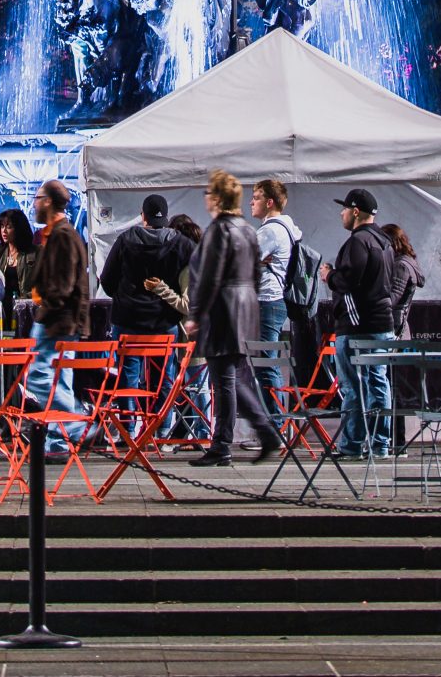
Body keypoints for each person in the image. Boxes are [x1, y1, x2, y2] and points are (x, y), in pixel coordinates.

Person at [185, 171, 281, 467]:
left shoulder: (218, 230)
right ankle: (247, 436)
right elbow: (255, 272)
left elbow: (208, 276)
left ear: (215, 198)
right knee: (236, 378)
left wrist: (196, 314)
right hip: (246, 306)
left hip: (223, 309)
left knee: (225, 380)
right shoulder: (247, 229)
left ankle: (228, 443)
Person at [322, 188, 398, 458]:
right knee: (379, 384)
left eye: (344, 208)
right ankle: (381, 444)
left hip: (357, 326)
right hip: (383, 323)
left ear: (355, 211)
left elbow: (349, 281)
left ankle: (352, 445)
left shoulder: (358, 242)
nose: (341, 213)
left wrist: (330, 276)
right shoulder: (385, 240)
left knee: (353, 387)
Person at [23, 180, 91, 430]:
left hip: (56, 321)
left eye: (37, 197)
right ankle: (57, 440)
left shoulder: (62, 235)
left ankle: (75, 427)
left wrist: (44, 305)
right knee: (59, 380)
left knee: (40, 377)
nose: (34, 203)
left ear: (48, 201)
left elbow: (62, 285)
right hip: (62, 320)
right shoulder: (58, 233)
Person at [102, 193, 195, 347]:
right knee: (162, 370)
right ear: (166, 217)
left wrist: (124, 297)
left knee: (129, 369)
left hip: (128, 319)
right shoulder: (181, 244)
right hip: (164, 321)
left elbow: (107, 280)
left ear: (143, 216)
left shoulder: (125, 240)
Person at [251, 178, 303, 399]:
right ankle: (277, 422)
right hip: (273, 300)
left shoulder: (270, 231)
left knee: (266, 365)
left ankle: (276, 424)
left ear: (270, 202)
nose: (251, 202)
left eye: (256, 198)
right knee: (267, 363)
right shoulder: (287, 227)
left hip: (266, 300)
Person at [379, 223, 424, 338]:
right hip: (396, 326)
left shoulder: (401, 266)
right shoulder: (403, 263)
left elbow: (393, 298)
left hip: (395, 328)